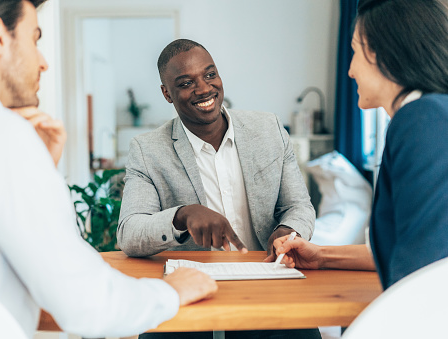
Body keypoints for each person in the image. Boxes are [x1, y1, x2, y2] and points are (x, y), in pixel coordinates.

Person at [0, 1, 218, 338]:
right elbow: (89, 306)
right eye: (34, 38)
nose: (42, 62)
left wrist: (39, 172)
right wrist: (173, 290)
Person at [117, 39, 321, 339]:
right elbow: (130, 233)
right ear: (167, 94)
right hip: (189, 300)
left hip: (268, 285)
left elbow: (299, 206)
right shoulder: (148, 150)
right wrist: (182, 216)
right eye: (186, 83)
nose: (203, 89)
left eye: (210, 75)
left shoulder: (269, 130)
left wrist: (287, 231)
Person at [273, 0, 448, 291]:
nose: (351, 70)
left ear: (386, 53)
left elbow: (423, 265)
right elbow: (408, 244)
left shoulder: (422, 118)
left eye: (355, 51)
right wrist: (322, 256)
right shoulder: (429, 114)